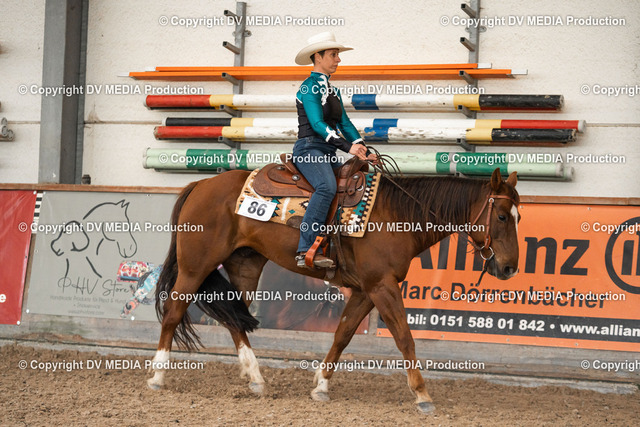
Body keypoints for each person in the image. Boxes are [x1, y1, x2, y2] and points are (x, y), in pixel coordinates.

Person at [292, 32, 377, 269]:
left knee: (355, 180)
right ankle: (305, 249)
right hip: (309, 149)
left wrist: (364, 149)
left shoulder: (333, 91)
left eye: (337, 55)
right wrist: (348, 147)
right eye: (333, 54)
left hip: (327, 152)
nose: (338, 59)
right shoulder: (308, 88)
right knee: (326, 187)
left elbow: (345, 124)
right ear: (317, 57)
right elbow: (317, 124)